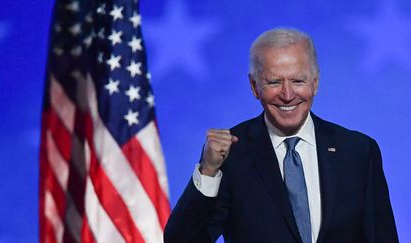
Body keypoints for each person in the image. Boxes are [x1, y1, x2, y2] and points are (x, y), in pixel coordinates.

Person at [164, 28, 398, 243]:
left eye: (298, 81)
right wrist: (208, 172)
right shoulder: (231, 154)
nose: (287, 95)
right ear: (254, 86)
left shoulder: (357, 151)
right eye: (274, 82)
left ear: (315, 83)